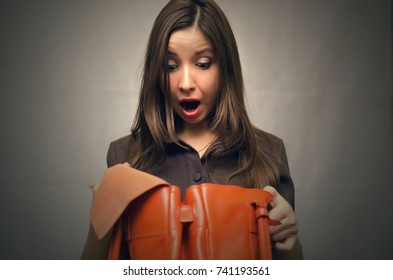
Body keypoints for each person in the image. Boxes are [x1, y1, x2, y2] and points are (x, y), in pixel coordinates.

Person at [82, 0, 303, 259]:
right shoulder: (125, 155)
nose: (185, 83)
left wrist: (292, 244)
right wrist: (99, 222)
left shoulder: (269, 152)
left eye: (203, 63)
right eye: (171, 66)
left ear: (226, 69)